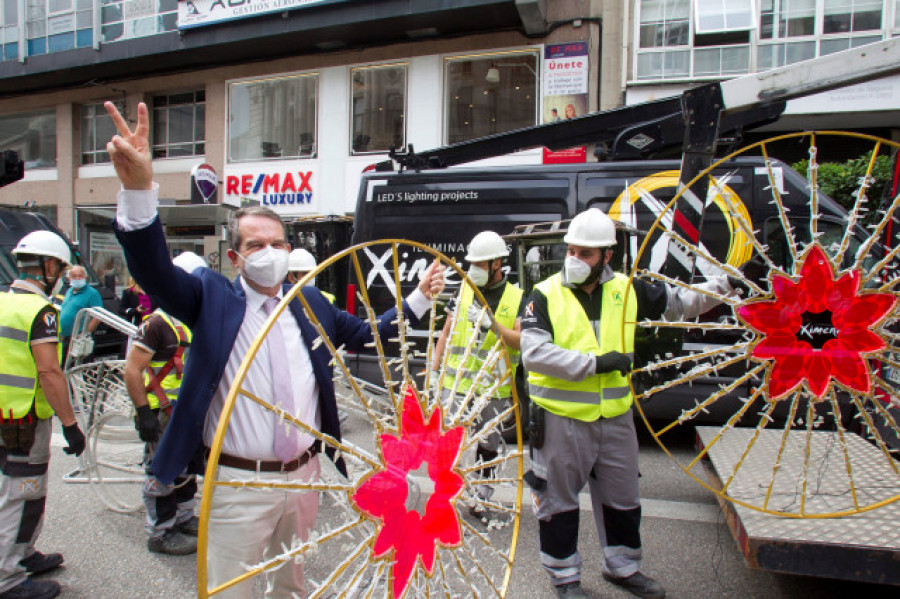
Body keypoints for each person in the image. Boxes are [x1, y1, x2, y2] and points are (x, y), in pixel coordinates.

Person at [103, 100, 445, 598]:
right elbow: (155, 272)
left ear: (290, 250)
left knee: (292, 585)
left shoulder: (309, 301)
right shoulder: (211, 298)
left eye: (277, 244)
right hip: (238, 484)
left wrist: (416, 299)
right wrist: (138, 190)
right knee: (230, 590)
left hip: (304, 478)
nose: (269, 253)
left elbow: (369, 333)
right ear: (237, 256)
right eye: (255, 245)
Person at [520, 208, 737, 599]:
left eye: (584, 253)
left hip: (616, 418)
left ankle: (622, 568)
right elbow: (534, 354)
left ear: (607, 255)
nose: (574, 259)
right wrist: (595, 365)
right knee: (557, 503)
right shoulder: (545, 294)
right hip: (560, 420)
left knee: (622, 499)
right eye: (570, 250)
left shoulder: (626, 288)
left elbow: (681, 303)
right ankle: (564, 578)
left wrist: (727, 284)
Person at [0, 231, 86, 599]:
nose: (64, 277)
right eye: (62, 270)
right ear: (49, 266)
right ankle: (7, 579)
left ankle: (22, 553)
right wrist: (70, 424)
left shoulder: (2, 301)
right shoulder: (41, 312)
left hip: (4, 414)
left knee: (11, 490)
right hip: (24, 419)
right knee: (22, 493)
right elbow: (50, 373)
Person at [430, 231, 524, 522]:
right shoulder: (464, 291)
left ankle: (480, 496)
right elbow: (445, 333)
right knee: (448, 446)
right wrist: (433, 373)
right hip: (455, 385)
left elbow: (521, 340)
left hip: (492, 391)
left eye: (481, 264)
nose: (474, 269)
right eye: (473, 263)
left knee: (488, 447)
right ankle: (443, 498)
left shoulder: (516, 297)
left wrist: (492, 326)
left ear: (497, 264)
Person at [124, 252, 207, 557]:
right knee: (161, 471)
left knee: (186, 468)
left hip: (187, 413)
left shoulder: (192, 321)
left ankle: (184, 518)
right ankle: (159, 533)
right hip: (162, 414)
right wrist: (143, 413)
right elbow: (132, 369)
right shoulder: (157, 324)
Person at [58, 265, 102, 362]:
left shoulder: (92, 293)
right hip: (66, 338)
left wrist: (84, 333)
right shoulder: (69, 291)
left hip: (80, 340)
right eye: (74, 276)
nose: (77, 278)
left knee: (80, 368)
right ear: (68, 278)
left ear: (85, 277)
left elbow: (98, 316)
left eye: (80, 276)